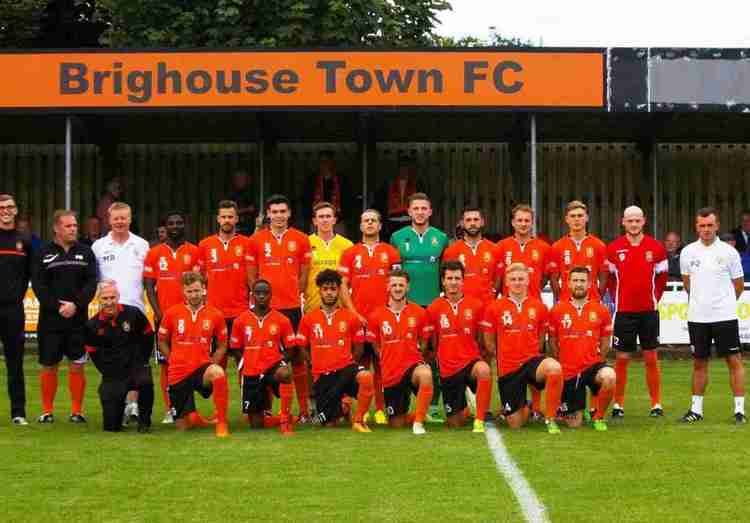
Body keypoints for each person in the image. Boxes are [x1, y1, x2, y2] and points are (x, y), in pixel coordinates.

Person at [247, 194, 311, 420]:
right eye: (274, 212)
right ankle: (264, 408)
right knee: (265, 357)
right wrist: (258, 301)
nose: (279, 216)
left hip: (292, 306)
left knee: (296, 358)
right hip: (266, 310)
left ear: (289, 213)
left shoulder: (301, 239)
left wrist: (297, 293)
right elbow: (252, 275)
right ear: (268, 215)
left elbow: (304, 274)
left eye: (283, 212)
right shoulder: (256, 240)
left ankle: (303, 410)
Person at [679, 207, 746, 424]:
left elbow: (738, 286)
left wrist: (722, 304)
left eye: (710, 225)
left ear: (717, 226)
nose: (706, 229)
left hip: (724, 317)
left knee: (733, 361)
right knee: (699, 362)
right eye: (702, 225)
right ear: (696, 227)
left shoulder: (729, 252)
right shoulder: (688, 252)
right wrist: (703, 303)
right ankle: (696, 410)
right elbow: (687, 284)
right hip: (697, 317)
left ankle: (739, 411)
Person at [481, 263, 563, 434]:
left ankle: (550, 418)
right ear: (507, 283)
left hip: (532, 363)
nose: (517, 282)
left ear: (528, 281)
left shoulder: (539, 307)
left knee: (554, 368)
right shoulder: (494, 308)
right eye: (513, 279)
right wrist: (503, 356)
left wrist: (532, 354)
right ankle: (525, 405)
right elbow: (489, 342)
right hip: (509, 369)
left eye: (521, 279)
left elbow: (541, 339)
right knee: (516, 424)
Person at [32, 209, 98, 423]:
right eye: (68, 226)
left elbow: (91, 283)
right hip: (51, 320)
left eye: (75, 225)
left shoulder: (86, 252)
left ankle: (77, 411)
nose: (73, 229)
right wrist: (57, 306)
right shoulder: (42, 252)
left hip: (77, 320)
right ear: (56, 228)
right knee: (49, 364)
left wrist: (76, 305)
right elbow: (39, 286)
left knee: (77, 363)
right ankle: (47, 411)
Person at [389, 193, 449, 423]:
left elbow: (447, 273)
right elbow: (394, 273)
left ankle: (433, 405)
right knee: (403, 353)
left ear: (430, 211)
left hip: (432, 305)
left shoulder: (441, 238)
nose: (420, 212)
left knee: (433, 354)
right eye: (416, 208)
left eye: (424, 208)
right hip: (406, 307)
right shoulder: (397, 237)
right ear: (409, 212)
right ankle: (400, 402)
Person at [339, 209, 401, 424]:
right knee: (357, 364)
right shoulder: (350, 253)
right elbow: (343, 287)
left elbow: (396, 285)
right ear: (360, 226)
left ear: (380, 225)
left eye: (374, 220)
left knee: (382, 363)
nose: (370, 224)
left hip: (382, 319)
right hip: (358, 319)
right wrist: (353, 313)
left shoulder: (391, 252)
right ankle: (360, 408)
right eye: (366, 221)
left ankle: (382, 409)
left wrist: (389, 312)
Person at [607, 206, 668, 419]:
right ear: (623, 222)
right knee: (622, 359)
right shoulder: (613, 249)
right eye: (629, 221)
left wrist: (653, 299)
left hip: (649, 312)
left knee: (651, 357)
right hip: (624, 312)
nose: (634, 224)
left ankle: (656, 404)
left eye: (637, 220)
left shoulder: (656, 247)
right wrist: (618, 300)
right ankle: (618, 404)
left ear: (644, 221)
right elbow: (610, 280)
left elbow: (661, 279)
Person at [92, 202, 150, 424]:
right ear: (109, 220)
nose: (119, 222)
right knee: (114, 360)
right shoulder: (98, 246)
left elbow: (149, 279)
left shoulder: (142, 245)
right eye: (116, 218)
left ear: (130, 218)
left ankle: (133, 405)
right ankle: (117, 402)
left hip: (135, 311)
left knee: (136, 359)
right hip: (108, 313)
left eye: (123, 218)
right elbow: (93, 279)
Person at [297, 269, 374, 432]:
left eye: (333, 289)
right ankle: (343, 407)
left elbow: (359, 349)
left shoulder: (351, 317)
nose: (329, 293)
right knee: (328, 424)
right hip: (323, 375)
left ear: (339, 290)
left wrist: (347, 365)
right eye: (325, 289)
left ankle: (359, 420)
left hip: (345, 369)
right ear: (320, 290)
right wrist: (312, 363)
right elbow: (302, 346)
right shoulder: (308, 319)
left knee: (366, 377)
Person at [495, 203, 552, 419]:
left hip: (533, 310)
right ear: (513, 222)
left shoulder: (543, 248)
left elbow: (546, 276)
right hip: (508, 309)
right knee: (506, 358)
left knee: (535, 355)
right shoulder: (501, 247)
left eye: (527, 220)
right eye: (519, 220)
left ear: (532, 222)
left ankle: (536, 407)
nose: (523, 224)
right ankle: (510, 404)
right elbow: (499, 279)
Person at [143, 211, 200, 423]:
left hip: (190, 318)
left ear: (185, 225)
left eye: (179, 222)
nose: (175, 226)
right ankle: (171, 408)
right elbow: (149, 286)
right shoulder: (155, 253)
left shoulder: (194, 251)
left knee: (192, 362)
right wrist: (160, 315)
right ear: (165, 227)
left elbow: (199, 285)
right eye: (171, 223)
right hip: (165, 318)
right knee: (168, 364)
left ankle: (189, 407)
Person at [158, 271, 230, 437]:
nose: (194, 295)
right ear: (184, 291)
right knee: (183, 426)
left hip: (201, 369)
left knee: (218, 373)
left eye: (197, 290)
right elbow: (161, 340)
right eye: (190, 291)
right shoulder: (172, 313)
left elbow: (222, 344)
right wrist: (172, 359)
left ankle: (222, 423)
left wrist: (213, 362)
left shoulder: (215, 314)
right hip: (178, 373)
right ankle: (194, 417)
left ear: (204, 289)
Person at [424, 261, 492, 433]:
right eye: (449, 278)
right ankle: (466, 406)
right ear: (443, 281)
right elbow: (433, 342)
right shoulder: (434, 308)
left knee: (483, 370)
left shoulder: (476, 305)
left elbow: (480, 338)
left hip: (470, 363)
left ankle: (479, 419)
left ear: (463, 281)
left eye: (457, 278)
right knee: (455, 423)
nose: (453, 282)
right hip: (448, 370)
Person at [548, 267, 616, 431]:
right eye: (575, 281)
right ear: (568, 284)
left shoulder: (601, 310)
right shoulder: (557, 310)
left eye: (582, 281)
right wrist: (562, 364)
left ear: (590, 284)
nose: (579, 284)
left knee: (610, 376)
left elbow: (606, 341)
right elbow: (552, 342)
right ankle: (570, 406)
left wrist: (599, 360)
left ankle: (598, 416)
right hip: (569, 371)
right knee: (574, 424)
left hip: (592, 366)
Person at [367, 270, 433, 435]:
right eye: (394, 285)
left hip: (412, 366)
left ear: (408, 287)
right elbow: (375, 346)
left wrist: (414, 355)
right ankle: (416, 414)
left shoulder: (419, 312)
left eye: (401, 285)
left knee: (425, 374)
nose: (397, 288)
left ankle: (418, 423)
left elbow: (424, 343)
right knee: (397, 424)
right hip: (391, 373)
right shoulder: (376, 315)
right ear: (388, 287)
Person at [83, 280, 155, 432]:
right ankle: (118, 413)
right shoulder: (92, 325)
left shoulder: (133, 313)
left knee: (145, 380)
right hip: (113, 374)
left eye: (112, 297)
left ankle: (144, 422)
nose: (109, 302)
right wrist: (109, 372)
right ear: (98, 300)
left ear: (118, 297)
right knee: (111, 427)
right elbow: (93, 353)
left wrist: (142, 361)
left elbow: (148, 335)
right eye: (105, 298)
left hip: (136, 368)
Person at [230, 279, 296, 435]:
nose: (261, 296)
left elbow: (292, 349)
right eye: (258, 293)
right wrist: (248, 361)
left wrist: (280, 362)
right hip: (251, 371)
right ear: (252, 295)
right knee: (256, 425)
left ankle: (285, 420)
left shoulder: (282, 320)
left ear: (270, 295)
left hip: (273, 367)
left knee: (285, 373)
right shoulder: (240, 320)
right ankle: (284, 418)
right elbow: (235, 348)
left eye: (265, 293)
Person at [197, 200, 252, 374]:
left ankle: (246, 400)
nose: (227, 220)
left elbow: (253, 277)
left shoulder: (247, 243)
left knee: (244, 361)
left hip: (241, 312)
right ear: (218, 219)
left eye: (230, 217)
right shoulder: (205, 245)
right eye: (224, 217)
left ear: (237, 219)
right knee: (218, 364)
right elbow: (200, 278)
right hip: (215, 312)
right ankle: (221, 402)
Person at [0, 194, 32, 425]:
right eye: (1, 207)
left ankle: (18, 413)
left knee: (15, 362)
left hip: (13, 309)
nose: (5, 211)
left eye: (9, 207)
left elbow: (32, 275)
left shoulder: (25, 241)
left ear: (16, 210)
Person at [548, 200, 608, 303]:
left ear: (586, 218)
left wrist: (596, 297)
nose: (576, 219)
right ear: (567, 219)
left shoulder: (599, 245)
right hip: (566, 303)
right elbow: (554, 280)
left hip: (592, 303)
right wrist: (562, 298)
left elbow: (603, 277)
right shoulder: (557, 246)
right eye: (573, 216)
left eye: (580, 216)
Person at [443, 207, 502, 304]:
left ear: (482, 222)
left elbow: (498, 278)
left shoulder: (494, 249)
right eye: (468, 220)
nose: (472, 223)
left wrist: (492, 294)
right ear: (462, 223)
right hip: (462, 307)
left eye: (476, 219)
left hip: (487, 306)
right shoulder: (451, 251)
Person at [304, 201, 353, 315]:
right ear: (314, 221)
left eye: (328, 216)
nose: (325, 220)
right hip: (312, 308)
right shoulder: (305, 243)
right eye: (321, 217)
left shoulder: (347, 245)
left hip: (340, 309)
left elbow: (351, 280)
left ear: (334, 220)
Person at [304, 150, 353, 233]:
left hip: (338, 220)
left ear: (332, 163)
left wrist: (343, 216)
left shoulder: (341, 180)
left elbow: (348, 199)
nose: (325, 164)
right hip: (316, 221)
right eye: (322, 161)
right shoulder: (312, 180)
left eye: (327, 161)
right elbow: (306, 199)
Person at [227, 170, 258, 235]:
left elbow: (255, 209)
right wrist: (246, 209)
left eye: (243, 179)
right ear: (234, 181)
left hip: (249, 227)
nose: (241, 181)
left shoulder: (251, 193)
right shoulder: (231, 195)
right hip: (235, 227)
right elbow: (229, 211)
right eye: (238, 179)